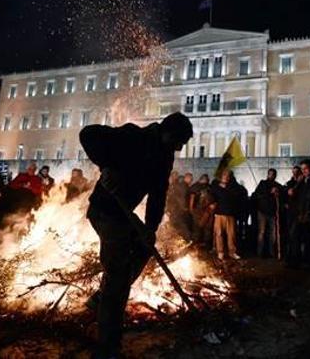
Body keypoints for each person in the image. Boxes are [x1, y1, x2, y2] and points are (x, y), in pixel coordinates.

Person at [79, 111, 193, 358]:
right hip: (106, 211)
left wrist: (150, 229)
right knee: (118, 276)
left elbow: (158, 195)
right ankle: (108, 345)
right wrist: (105, 167)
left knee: (144, 248)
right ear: (168, 133)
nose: (180, 148)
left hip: (124, 214)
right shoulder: (133, 135)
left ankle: (101, 298)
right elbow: (87, 134)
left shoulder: (165, 157)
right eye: (179, 142)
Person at [210, 170, 242, 260]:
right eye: (224, 175)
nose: (226, 177)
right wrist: (212, 203)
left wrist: (226, 187)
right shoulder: (216, 186)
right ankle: (220, 252)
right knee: (219, 234)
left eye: (228, 175)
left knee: (231, 234)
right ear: (221, 176)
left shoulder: (233, 187)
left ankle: (232, 252)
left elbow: (237, 196)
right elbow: (212, 197)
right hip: (219, 214)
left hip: (230, 214)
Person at [252, 168, 283, 258]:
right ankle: (260, 252)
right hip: (262, 211)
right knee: (261, 232)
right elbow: (257, 194)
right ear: (268, 174)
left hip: (272, 213)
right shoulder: (262, 183)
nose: (271, 176)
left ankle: (271, 252)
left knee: (272, 234)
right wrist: (270, 192)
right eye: (270, 174)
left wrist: (278, 193)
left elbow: (282, 192)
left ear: (275, 176)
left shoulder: (277, 185)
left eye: (273, 174)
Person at [166, 170, 191, 240]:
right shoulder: (171, 186)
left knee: (178, 224)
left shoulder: (178, 186)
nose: (174, 178)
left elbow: (180, 198)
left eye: (175, 176)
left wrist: (183, 207)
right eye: (173, 176)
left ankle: (184, 238)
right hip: (171, 209)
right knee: (173, 225)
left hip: (176, 210)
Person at [188, 174, 213, 247]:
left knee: (207, 228)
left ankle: (206, 244)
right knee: (197, 227)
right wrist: (191, 209)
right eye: (206, 179)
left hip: (207, 211)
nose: (207, 181)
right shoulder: (195, 187)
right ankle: (195, 243)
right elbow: (192, 198)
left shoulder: (208, 187)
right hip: (197, 210)